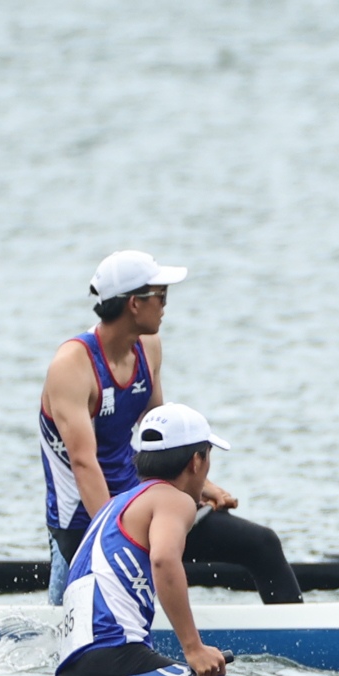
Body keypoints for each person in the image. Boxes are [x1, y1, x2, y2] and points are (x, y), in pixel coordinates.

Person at [40, 250, 301, 606]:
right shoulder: (72, 366)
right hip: (83, 521)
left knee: (262, 544)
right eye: (161, 296)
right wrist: (115, 541)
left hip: (140, 503)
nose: (165, 306)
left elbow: (160, 438)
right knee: (88, 616)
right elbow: (84, 464)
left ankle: (298, 630)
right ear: (134, 303)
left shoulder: (148, 347)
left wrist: (201, 486)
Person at [56, 405, 310, 676]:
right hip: (115, 664)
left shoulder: (114, 507)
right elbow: (164, 559)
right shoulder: (173, 500)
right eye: (208, 457)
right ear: (196, 461)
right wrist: (193, 649)